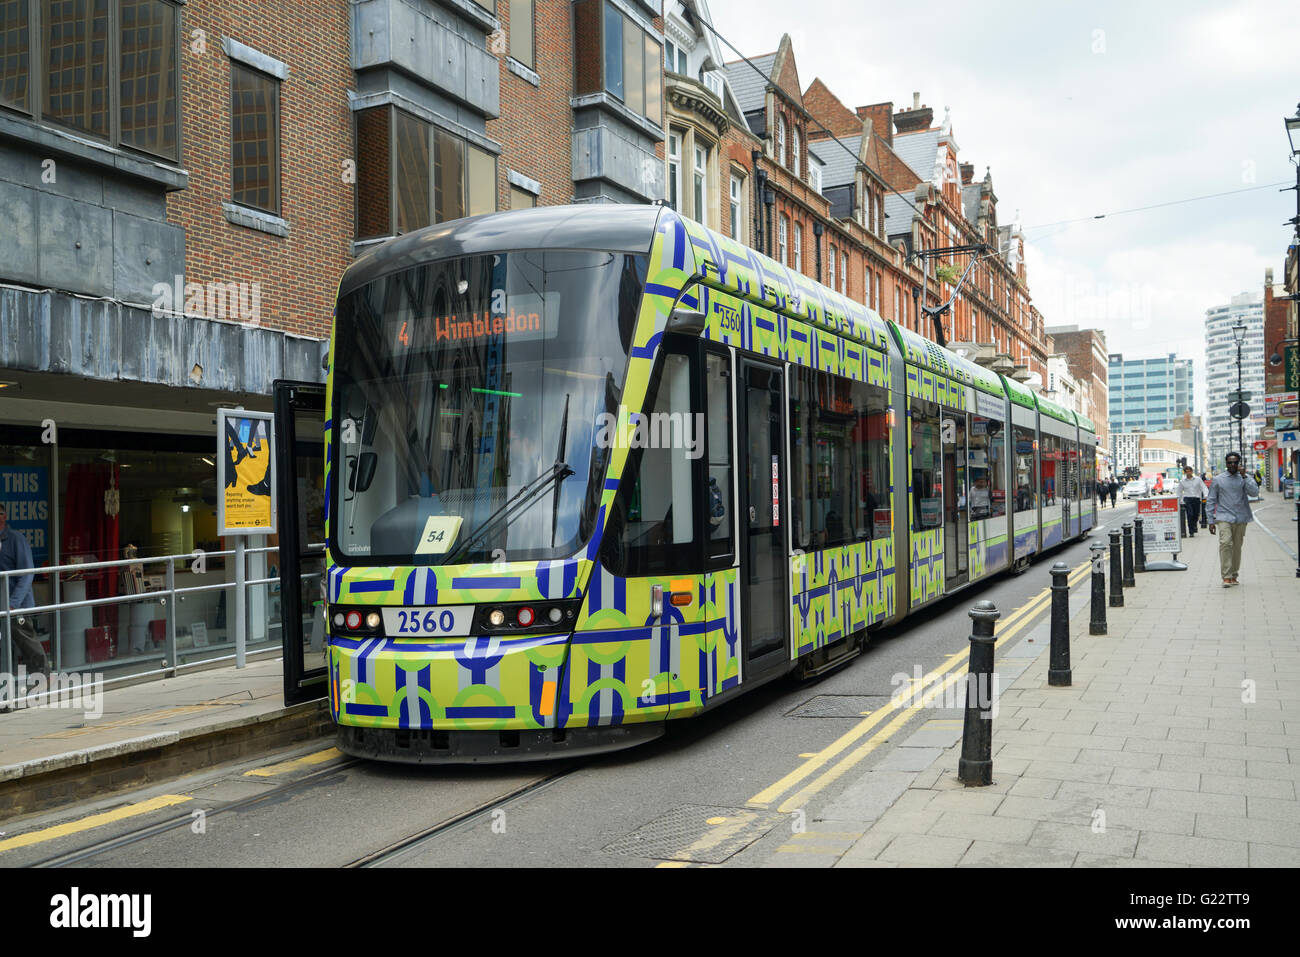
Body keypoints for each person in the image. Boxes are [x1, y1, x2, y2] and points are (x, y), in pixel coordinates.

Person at [0, 504, 50, 679]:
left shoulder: (15, 539)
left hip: (16, 604)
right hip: (2, 604)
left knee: (26, 641)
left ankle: (44, 678)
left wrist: (13, 603)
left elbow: (27, 574)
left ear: (4, 516)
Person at [1206, 452, 1259, 587]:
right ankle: (1226, 576)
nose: (1232, 465)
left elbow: (1254, 492)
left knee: (1236, 547)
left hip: (1241, 517)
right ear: (1226, 463)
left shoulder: (1245, 477)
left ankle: (1234, 574)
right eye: (1230, 462)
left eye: (1235, 462)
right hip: (1223, 516)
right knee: (1225, 543)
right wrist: (1210, 521)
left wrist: (1244, 476)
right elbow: (1211, 500)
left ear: (1239, 463)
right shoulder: (1218, 479)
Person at [1176, 465, 1206, 537]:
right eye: (1186, 472)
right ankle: (1191, 532)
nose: (1188, 473)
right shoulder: (1182, 482)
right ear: (1185, 473)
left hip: (1196, 498)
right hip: (1187, 499)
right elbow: (1179, 492)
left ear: (1192, 472)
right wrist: (1179, 501)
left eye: (1189, 471)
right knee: (1190, 515)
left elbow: (1203, 487)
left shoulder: (1198, 479)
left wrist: (1206, 495)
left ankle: (1194, 525)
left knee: (1196, 515)